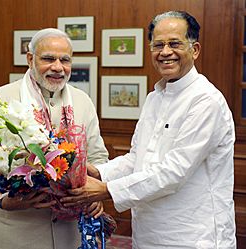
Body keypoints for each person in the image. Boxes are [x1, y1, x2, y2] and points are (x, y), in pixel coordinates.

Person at [61, 11, 236, 248]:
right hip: (148, 232)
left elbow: (174, 171)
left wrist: (106, 190)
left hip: (193, 235)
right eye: (158, 45)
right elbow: (137, 158)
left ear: (194, 50)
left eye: (174, 43)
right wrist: (98, 172)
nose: (165, 52)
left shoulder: (206, 101)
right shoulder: (155, 97)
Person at [0, 28, 108, 249]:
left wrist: (95, 192)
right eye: (48, 58)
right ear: (30, 59)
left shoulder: (83, 101)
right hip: (13, 234)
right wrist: (6, 201)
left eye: (65, 60)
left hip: (69, 235)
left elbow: (98, 156)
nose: (57, 67)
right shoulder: (2, 98)